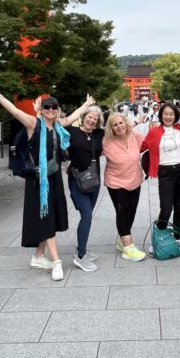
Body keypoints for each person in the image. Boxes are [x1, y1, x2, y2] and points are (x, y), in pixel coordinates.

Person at [0, 79, 94, 281]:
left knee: (50, 217)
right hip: (39, 180)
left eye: (53, 107)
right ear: (42, 109)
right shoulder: (33, 124)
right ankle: (56, 262)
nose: (50, 110)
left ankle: (38, 256)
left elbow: (74, 116)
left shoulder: (58, 126)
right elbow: (14, 111)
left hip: (54, 177)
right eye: (47, 107)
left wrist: (86, 104)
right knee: (46, 217)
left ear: (57, 110)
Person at [141, 102, 180, 253]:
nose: (168, 117)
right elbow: (141, 146)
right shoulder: (154, 132)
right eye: (165, 114)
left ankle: (176, 239)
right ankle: (159, 236)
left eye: (171, 114)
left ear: (176, 115)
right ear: (161, 115)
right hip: (165, 173)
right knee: (166, 208)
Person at [103, 113, 146, 261]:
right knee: (123, 210)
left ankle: (122, 240)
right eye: (115, 125)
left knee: (131, 211)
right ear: (111, 128)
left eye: (121, 123)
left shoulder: (134, 135)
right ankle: (128, 248)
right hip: (115, 181)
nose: (119, 126)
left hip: (134, 179)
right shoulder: (106, 141)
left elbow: (148, 146)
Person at [67, 105, 104, 272]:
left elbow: (117, 130)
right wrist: (82, 107)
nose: (92, 120)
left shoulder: (99, 134)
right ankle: (81, 255)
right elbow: (61, 124)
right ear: (83, 117)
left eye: (95, 119)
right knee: (87, 216)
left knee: (88, 215)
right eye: (89, 117)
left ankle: (81, 248)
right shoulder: (72, 132)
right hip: (78, 180)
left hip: (94, 181)